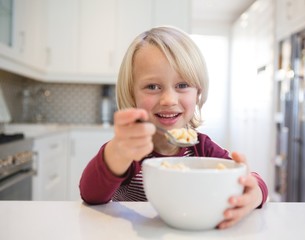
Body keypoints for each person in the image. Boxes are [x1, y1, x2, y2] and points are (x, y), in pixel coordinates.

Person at [79, 26, 268, 229]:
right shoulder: (129, 151)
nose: (169, 100)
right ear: (132, 94)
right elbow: (91, 195)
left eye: (182, 85)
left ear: (197, 93)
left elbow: (249, 181)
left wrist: (254, 192)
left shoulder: (202, 149)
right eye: (152, 87)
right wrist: (117, 152)